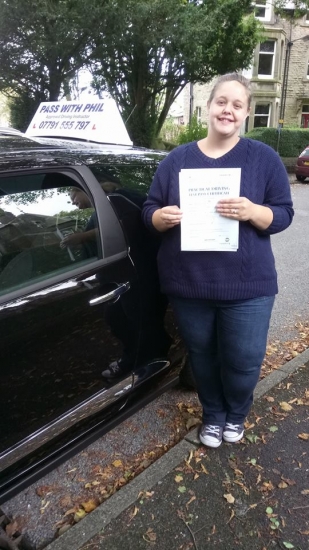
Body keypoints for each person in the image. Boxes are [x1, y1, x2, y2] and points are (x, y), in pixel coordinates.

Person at [142, 73, 294, 448]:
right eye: (222, 102)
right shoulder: (177, 160)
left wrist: (253, 211)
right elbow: (150, 209)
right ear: (209, 107)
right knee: (203, 358)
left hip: (248, 286)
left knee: (243, 362)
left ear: (245, 113)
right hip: (189, 283)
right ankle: (213, 415)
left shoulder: (263, 158)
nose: (228, 110)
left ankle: (236, 414)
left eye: (237, 105)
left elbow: (284, 214)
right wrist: (160, 218)